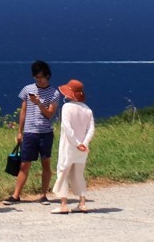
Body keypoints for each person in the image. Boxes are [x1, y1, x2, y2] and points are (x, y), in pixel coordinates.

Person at [3, 60, 60, 205]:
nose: (38, 80)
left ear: (47, 76)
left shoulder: (54, 93)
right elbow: (23, 111)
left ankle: (43, 195)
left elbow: (49, 114)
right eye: (36, 77)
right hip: (29, 132)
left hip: (45, 132)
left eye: (41, 77)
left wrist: (39, 103)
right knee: (24, 164)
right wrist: (20, 131)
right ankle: (16, 195)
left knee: (45, 163)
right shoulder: (28, 89)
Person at [51, 79, 95, 214]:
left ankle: (63, 204)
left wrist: (76, 143)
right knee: (78, 175)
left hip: (69, 147)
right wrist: (84, 143)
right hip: (82, 149)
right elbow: (91, 129)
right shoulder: (87, 110)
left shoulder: (67, 107)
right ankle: (82, 202)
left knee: (63, 173)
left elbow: (67, 128)